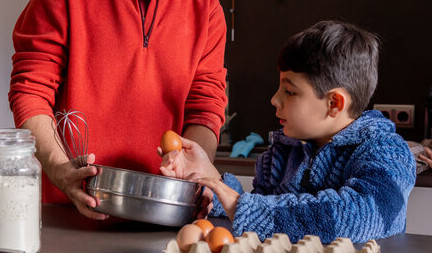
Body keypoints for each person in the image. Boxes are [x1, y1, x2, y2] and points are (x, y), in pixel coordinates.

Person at [8, 0, 227, 220]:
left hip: (161, 215)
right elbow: (30, 91)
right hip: (67, 213)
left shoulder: (205, 10)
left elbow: (205, 106)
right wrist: (60, 170)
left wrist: (196, 172)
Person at [161, 20, 416, 243]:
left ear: (334, 103)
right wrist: (211, 182)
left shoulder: (385, 151)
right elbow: (261, 211)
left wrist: (243, 208)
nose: (274, 99)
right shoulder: (281, 155)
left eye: (290, 91)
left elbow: (363, 213)